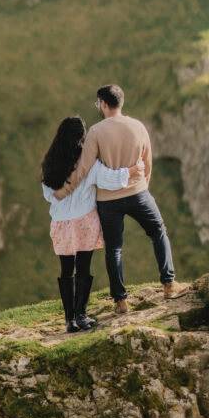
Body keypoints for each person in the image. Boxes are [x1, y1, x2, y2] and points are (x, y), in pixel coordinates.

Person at [53, 84, 188, 314]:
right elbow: (148, 161)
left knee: (114, 248)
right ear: (120, 102)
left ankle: (121, 301)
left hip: (108, 201)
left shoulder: (96, 131)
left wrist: (62, 191)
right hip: (138, 192)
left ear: (103, 104)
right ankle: (169, 284)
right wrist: (143, 185)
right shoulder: (138, 126)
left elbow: (84, 168)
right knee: (158, 232)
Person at [41, 116, 144, 333]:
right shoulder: (88, 163)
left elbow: (49, 195)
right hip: (85, 221)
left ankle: (69, 320)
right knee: (84, 268)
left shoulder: (50, 162)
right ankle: (81, 315)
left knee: (66, 270)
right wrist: (135, 169)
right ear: (82, 138)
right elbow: (111, 178)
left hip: (61, 224)